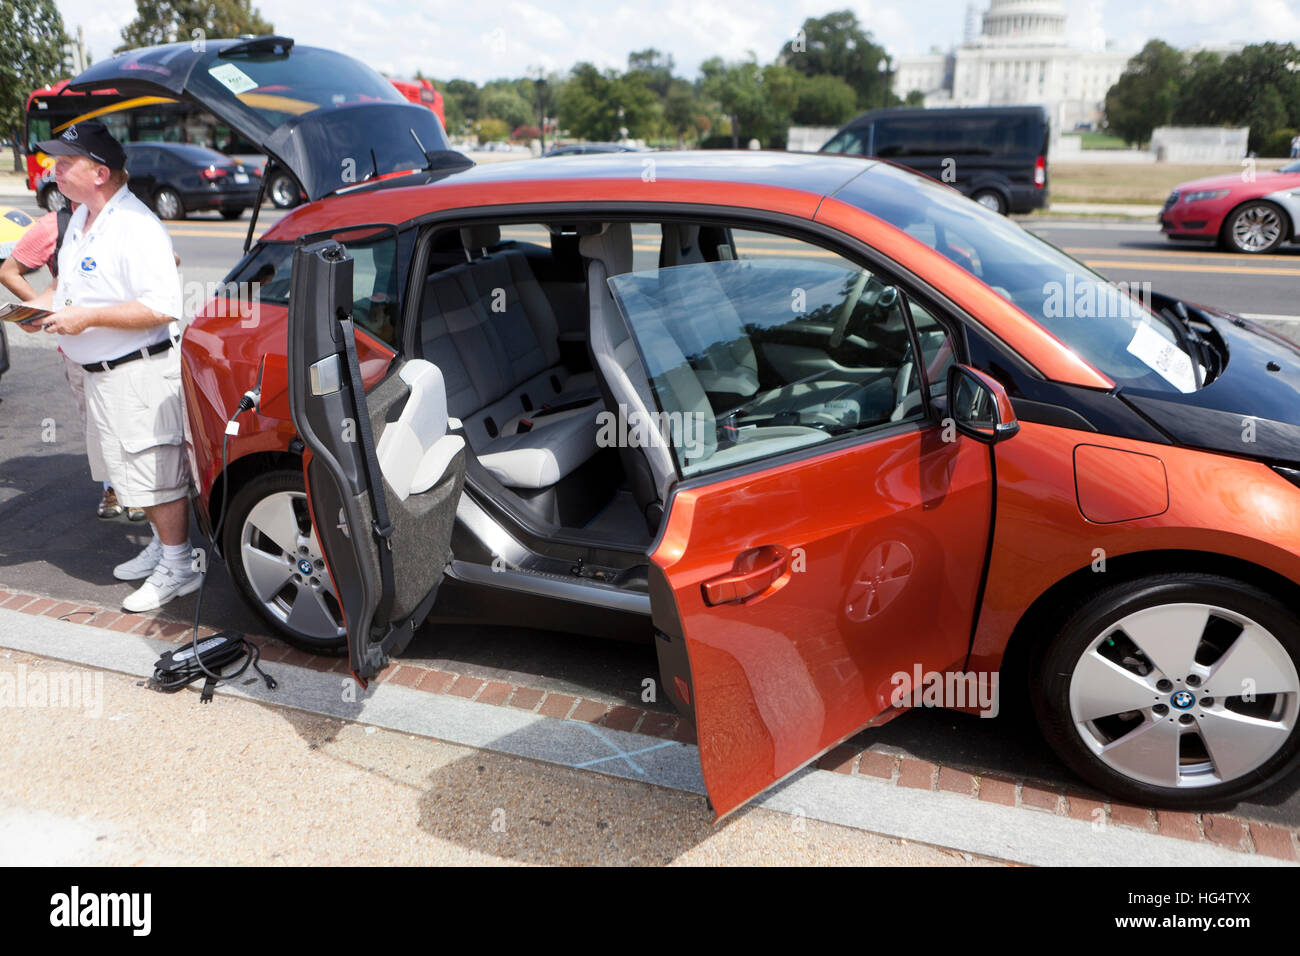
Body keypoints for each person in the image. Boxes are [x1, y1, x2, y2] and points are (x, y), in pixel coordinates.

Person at [20, 120, 198, 612]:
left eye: (65, 161)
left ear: (99, 172)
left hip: (136, 372)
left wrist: (86, 318)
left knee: (157, 474)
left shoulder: (137, 225)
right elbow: (68, 291)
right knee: (128, 472)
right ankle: (164, 549)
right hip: (101, 374)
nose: (53, 169)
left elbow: (163, 306)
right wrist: (38, 309)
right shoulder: (79, 217)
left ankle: (179, 566)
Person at [0, 203, 146, 521]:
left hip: (128, 340)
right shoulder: (56, 225)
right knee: (95, 421)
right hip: (78, 349)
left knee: (133, 416)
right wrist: (38, 309)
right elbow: (11, 271)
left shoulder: (131, 217)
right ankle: (113, 487)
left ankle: (139, 490)